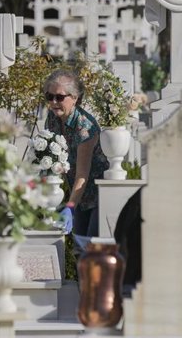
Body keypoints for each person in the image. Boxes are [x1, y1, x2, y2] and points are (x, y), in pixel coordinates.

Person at [44, 69, 109, 237]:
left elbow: (82, 174)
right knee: (79, 251)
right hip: (78, 196)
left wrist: (70, 207)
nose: (53, 102)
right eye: (49, 97)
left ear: (75, 98)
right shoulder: (52, 119)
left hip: (98, 197)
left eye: (59, 97)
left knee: (91, 248)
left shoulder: (85, 127)